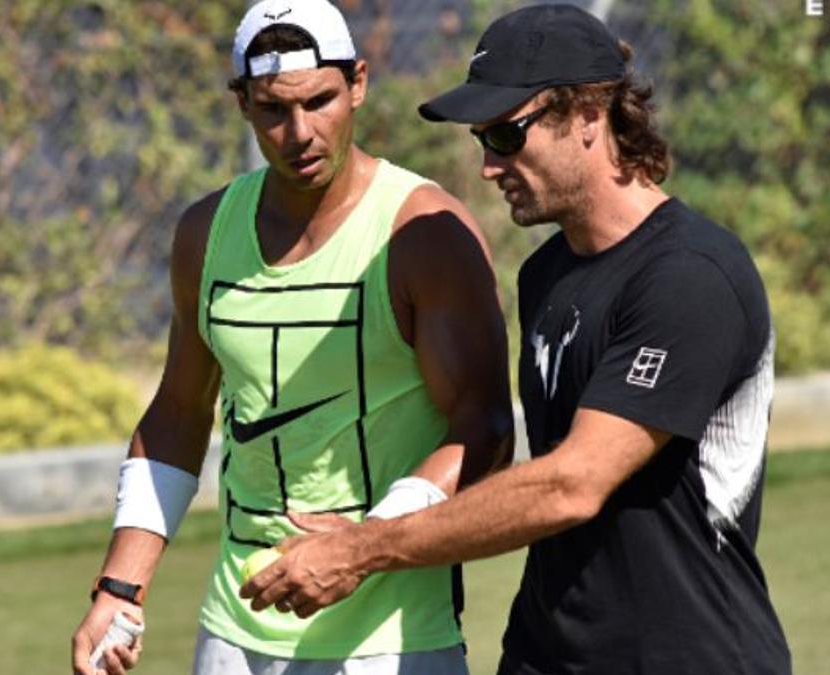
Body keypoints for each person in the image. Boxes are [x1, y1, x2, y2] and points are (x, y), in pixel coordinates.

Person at [240, 5, 793, 675]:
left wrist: (366, 547)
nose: (486, 167)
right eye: (481, 139)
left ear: (589, 115)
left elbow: (572, 483)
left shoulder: (690, 277)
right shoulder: (545, 274)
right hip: (544, 655)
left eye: (506, 135)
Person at [70, 0, 514, 673]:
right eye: (274, 109)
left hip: (391, 641)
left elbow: (484, 429)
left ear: (358, 83)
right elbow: (179, 414)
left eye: (321, 101)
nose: (300, 132)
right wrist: (119, 587)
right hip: (232, 631)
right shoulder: (206, 231)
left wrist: (366, 543)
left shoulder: (424, 234)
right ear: (243, 104)